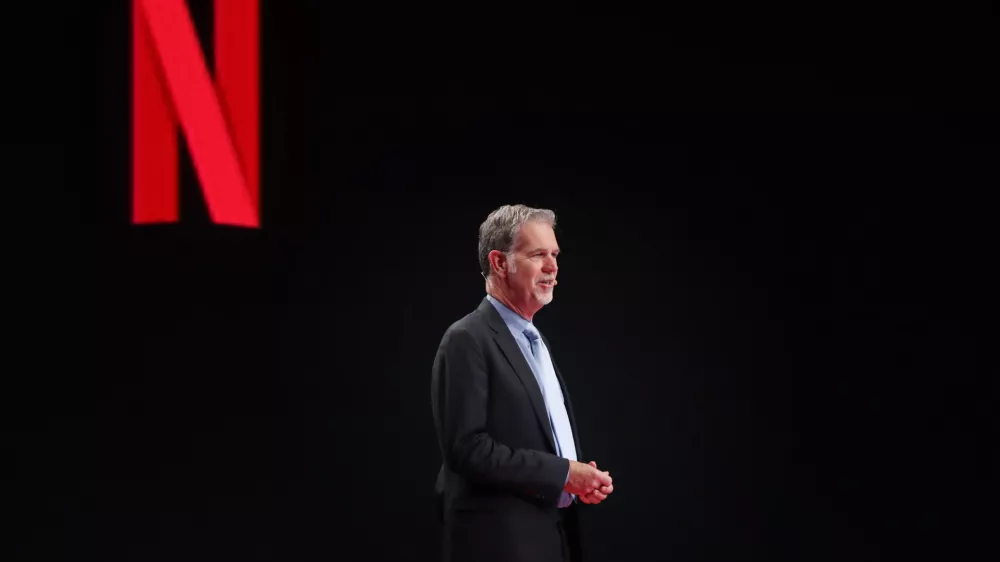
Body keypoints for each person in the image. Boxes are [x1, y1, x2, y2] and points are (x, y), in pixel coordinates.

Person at [430, 204, 615, 562]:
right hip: (499, 543)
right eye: (537, 254)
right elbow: (467, 449)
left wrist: (575, 479)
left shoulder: (534, 341)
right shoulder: (466, 339)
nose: (552, 267)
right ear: (500, 263)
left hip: (552, 536)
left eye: (555, 255)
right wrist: (563, 474)